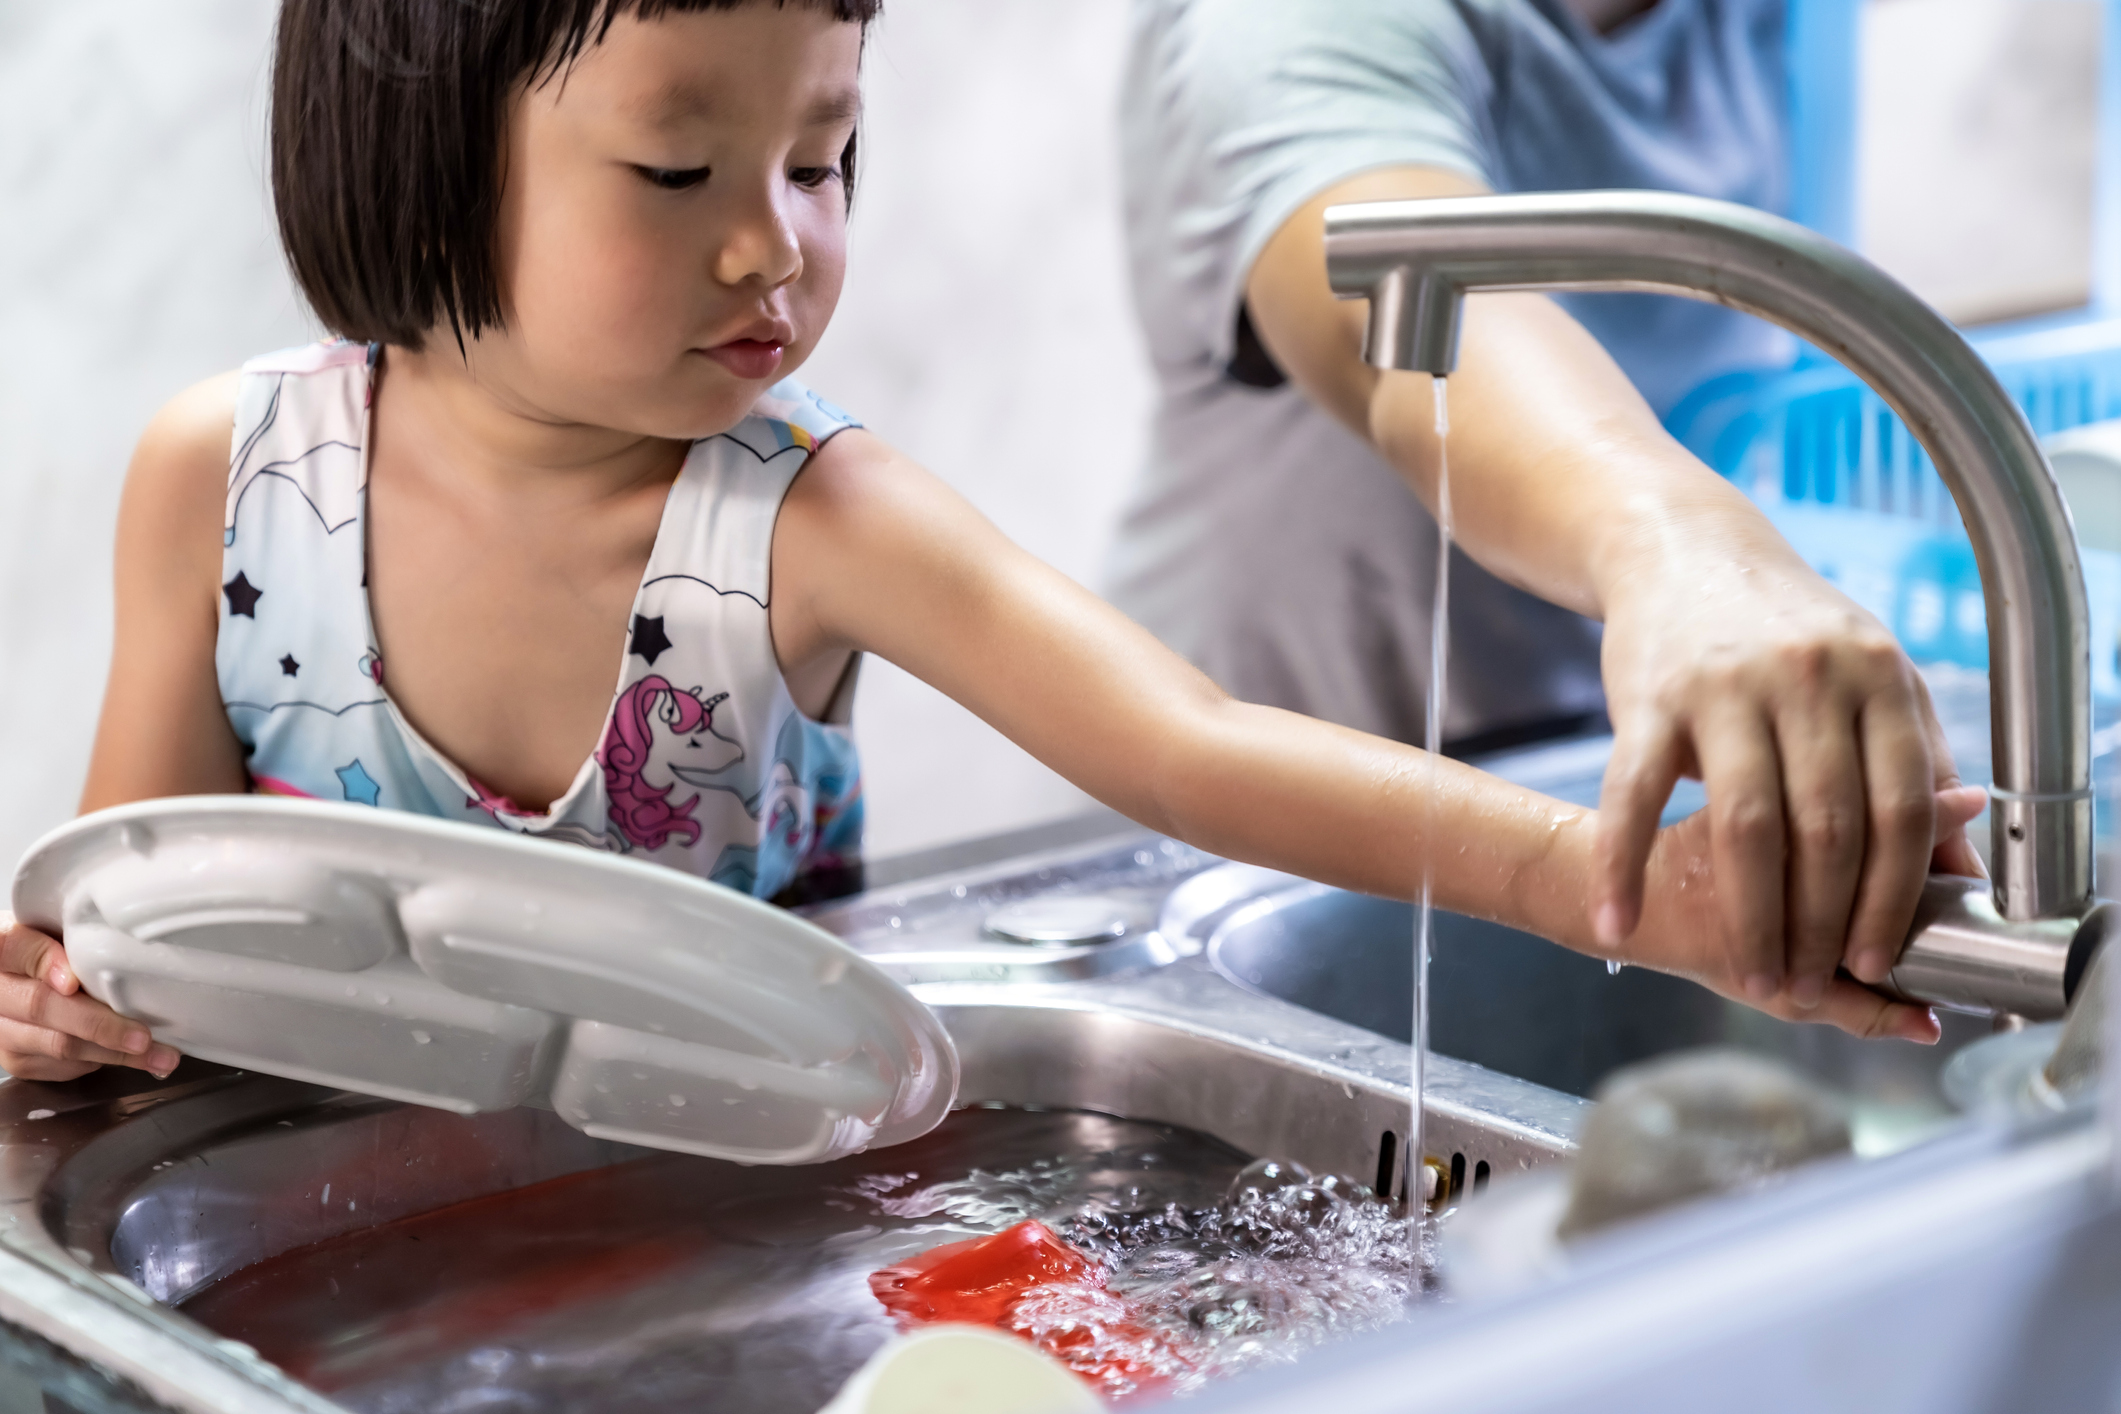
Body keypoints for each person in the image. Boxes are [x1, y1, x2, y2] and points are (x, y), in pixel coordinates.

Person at [0, 0, 1974, 1084]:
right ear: (414, 143)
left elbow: (1186, 747)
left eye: (823, 156)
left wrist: (1625, 887)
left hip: (717, 1196)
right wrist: (53, 1003)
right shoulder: (228, 473)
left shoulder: (802, 515)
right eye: (678, 166)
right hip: (316, 1203)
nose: (774, 239)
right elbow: (143, 912)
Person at [1108, 0, 1985, 1020]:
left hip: (1575, 781)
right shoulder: (1292, 25)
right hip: (1263, 838)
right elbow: (1424, 324)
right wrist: (1681, 548)